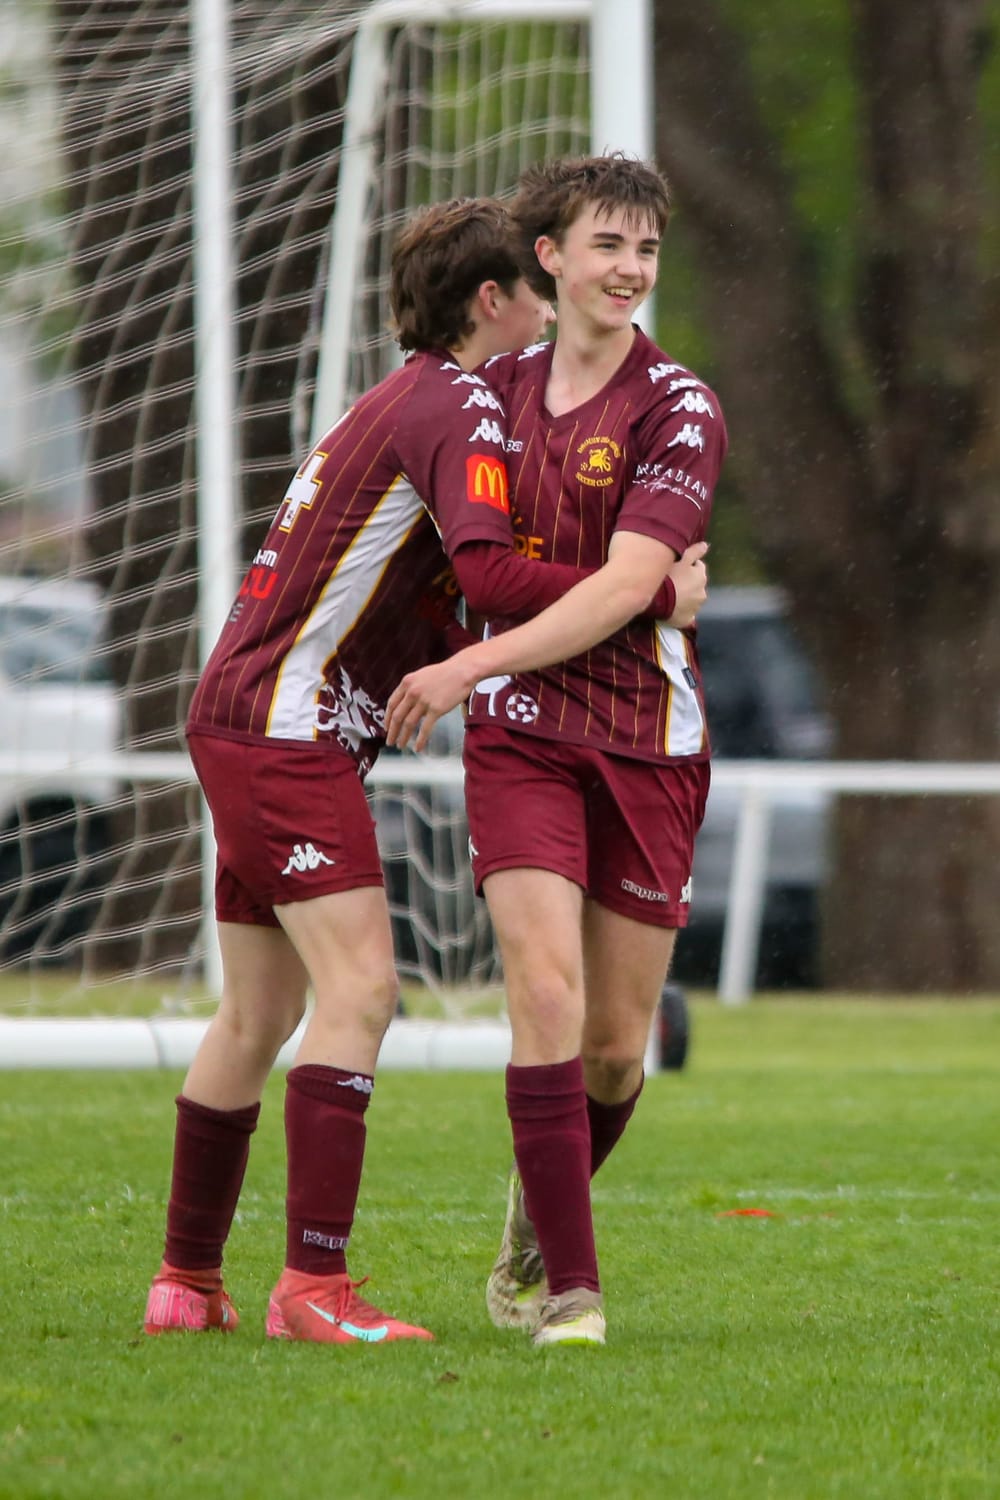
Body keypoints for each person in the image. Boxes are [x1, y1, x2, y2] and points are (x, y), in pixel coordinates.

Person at [142, 194, 704, 1346]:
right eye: (539, 293)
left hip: (242, 712)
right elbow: (491, 584)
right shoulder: (457, 405)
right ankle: (315, 1289)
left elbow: (438, 595)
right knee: (362, 994)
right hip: (290, 729)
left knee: (256, 1011)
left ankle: (185, 1283)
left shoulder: (406, 394)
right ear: (495, 298)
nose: (551, 319)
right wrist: (651, 591)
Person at [386, 154, 727, 1348]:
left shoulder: (680, 407)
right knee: (541, 992)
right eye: (608, 246)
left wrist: (471, 656)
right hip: (524, 735)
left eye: (646, 250)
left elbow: (635, 584)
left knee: (615, 1055)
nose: (630, 271)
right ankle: (572, 1296)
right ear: (549, 258)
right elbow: (444, 537)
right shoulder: (486, 393)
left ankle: (542, 1206)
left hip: (647, 740)